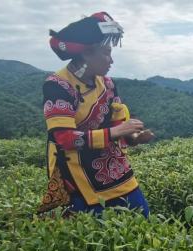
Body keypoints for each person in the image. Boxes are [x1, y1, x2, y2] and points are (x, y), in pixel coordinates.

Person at [37, 12, 153, 218]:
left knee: (139, 213)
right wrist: (116, 131)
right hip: (75, 168)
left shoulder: (107, 84)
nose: (111, 60)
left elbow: (117, 122)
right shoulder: (58, 86)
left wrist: (134, 138)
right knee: (91, 224)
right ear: (87, 53)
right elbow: (63, 138)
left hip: (112, 163)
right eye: (106, 53)